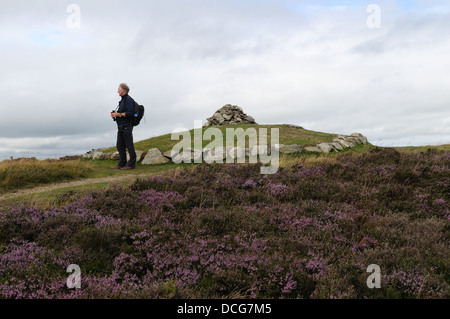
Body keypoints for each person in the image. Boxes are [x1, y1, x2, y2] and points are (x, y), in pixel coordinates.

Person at [110, 83, 137, 170]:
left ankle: (131, 164)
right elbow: (122, 113)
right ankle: (122, 163)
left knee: (129, 145)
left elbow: (130, 113)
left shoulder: (128, 100)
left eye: (119, 89)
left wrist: (118, 114)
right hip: (121, 126)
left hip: (126, 126)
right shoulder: (122, 101)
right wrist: (116, 115)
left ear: (123, 90)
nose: (117, 90)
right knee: (120, 145)